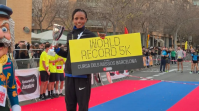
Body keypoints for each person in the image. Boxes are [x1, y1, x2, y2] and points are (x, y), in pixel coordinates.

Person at [54, 9, 104, 111]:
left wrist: (102, 42)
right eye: (76, 18)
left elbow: (98, 53)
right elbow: (69, 54)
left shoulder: (90, 35)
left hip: (83, 76)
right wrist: (58, 50)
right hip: (69, 75)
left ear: (86, 20)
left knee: (83, 106)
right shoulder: (70, 35)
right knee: (70, 105)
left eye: (81, 18)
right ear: (73, 20)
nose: (79, 21)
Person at [0, 4, 21, 111]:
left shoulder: (8, 63)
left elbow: (12, 87)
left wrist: (15, 105)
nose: (0, 35)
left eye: (4, 29)